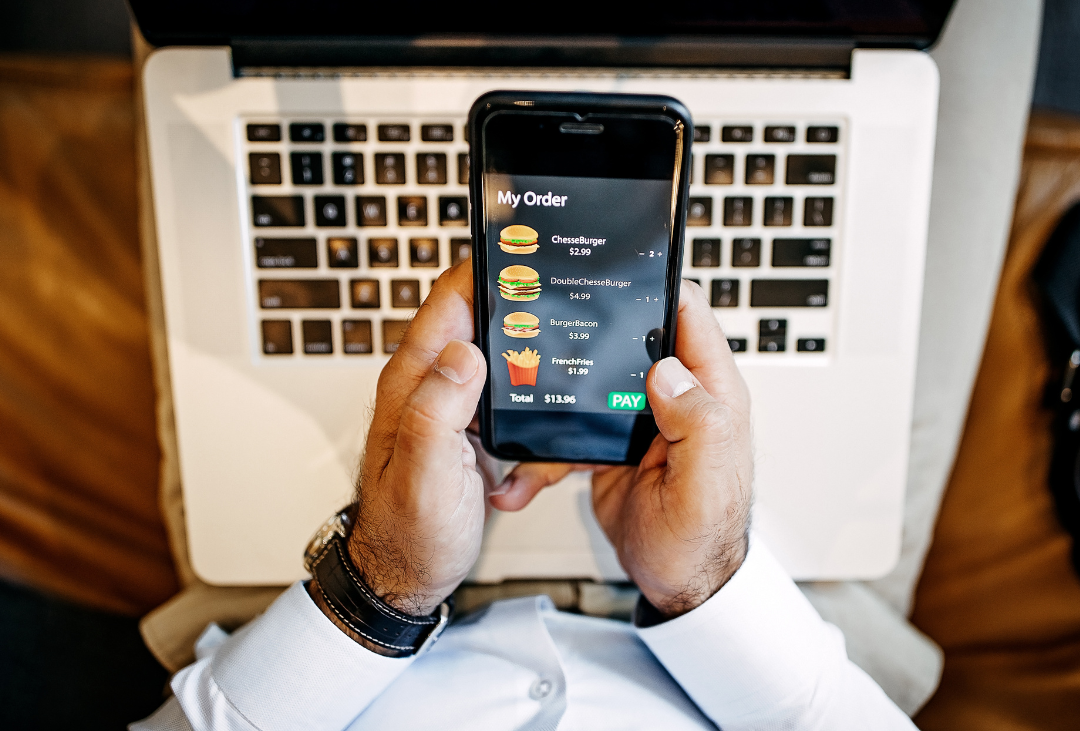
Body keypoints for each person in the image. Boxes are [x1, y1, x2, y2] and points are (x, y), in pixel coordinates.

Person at [132, 263, 914, 730]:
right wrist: (705, 578)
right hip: (762, 641)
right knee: (894, 54)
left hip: (345, 631)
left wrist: (380, 580)